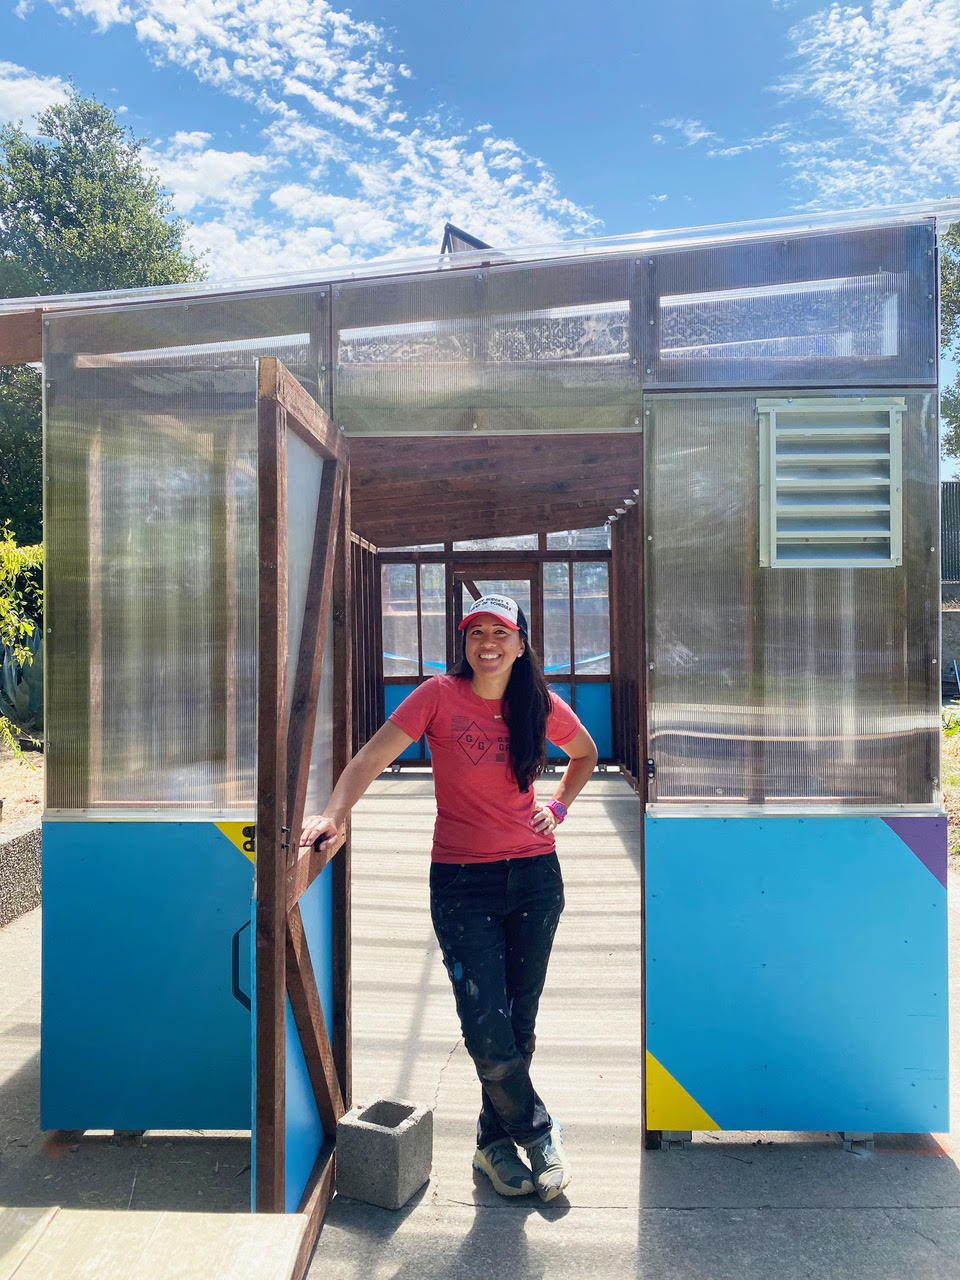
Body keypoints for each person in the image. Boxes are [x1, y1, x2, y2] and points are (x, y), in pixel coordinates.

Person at [300, 593, 598, 1202]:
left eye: (501, 632)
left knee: (519, 1023)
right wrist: (334, 815)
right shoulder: (438, 696)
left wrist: (559, 808)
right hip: (463, 880)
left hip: (536, 877)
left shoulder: (538, 704)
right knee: (486, 1026)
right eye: (475, 632)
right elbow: (368, 759)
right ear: (463, 643)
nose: (487, 643)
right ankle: (539, 1132)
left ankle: (492, 1148)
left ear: (521, 643)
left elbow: (586, 754)